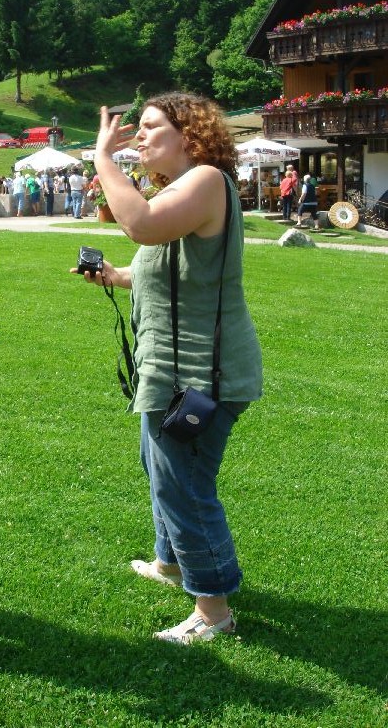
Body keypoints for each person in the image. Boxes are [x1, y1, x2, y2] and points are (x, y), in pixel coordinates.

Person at [73, 93, 262, 645]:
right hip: (173, 368)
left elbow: (142, 225)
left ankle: (213, 610)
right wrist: (116, 276)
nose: (139, 136)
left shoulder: (205, 180)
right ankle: (171, 561)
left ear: (189, 134)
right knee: (158, 465)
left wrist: (102, 158)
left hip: (202, 373)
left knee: (185, 485)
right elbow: (165, 263)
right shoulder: (182, 188)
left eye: (152, 126)